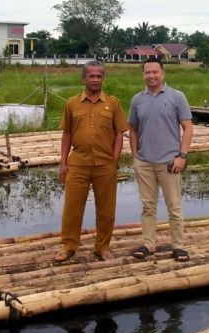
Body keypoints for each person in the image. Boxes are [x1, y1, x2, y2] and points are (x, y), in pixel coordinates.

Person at [54, 60, 129, 263]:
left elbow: (119, 134)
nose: (95, 79)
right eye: (91, 76)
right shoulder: (71, 104)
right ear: (83, 78)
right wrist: (63, 163)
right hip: (78, 163)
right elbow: (67, 134)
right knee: (72, 208)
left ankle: (102, 247)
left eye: (99, 76)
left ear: (103, 78)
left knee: (106, 210)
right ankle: (68, 246)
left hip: (105, 165)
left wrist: (114, 160)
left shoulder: (113, 103)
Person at [129, 59, 193, 262]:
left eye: (155, 72)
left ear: (162, 73)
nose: (151, 76)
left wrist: (182, 156)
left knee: (174, 206)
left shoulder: (176, 97)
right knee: (148, 206)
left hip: (169, 162)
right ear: (143, 75)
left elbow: (188, 128)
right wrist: (135, 156)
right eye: (147, 72)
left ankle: (178, 246)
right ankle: (148, 244)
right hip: (144, 162)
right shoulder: (137, 100)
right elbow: (132, 129)